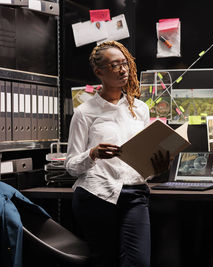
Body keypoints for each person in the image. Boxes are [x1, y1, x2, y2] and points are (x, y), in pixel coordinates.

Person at [65, 40, 169, 267]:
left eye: (124, 64)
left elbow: (141, 160)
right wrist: (92, 154)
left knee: (138, 263)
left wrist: (156, 169)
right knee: (105, 261)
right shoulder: (84, 113)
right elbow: (71, 166)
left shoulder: (139, 109)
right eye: (114, 65)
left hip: (135, 195)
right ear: (98, 71)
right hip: (96, 195)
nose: (123, 70)